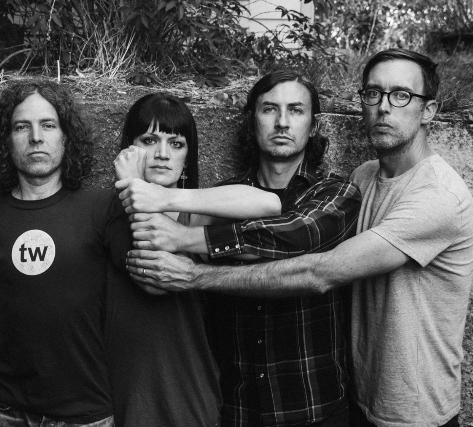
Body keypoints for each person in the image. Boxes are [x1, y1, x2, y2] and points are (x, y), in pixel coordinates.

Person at [127, 50, 473, 427]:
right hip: (260, 406)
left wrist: (191, 257)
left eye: (401, 95)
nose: (384, 107)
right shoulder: (364, 176)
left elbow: (315, 262)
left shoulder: (416, 195)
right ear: (252, 120)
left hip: (378, 410)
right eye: (373, 93)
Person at [118, 73, 362, 426]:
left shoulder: (337, 193)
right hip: (238, 408)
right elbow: (152, 265)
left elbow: (295, 237)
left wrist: (182, 236)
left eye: (295, 110)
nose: (282, 122)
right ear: (252, 121)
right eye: (269, 109)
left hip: (313, 405)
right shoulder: (221, 198)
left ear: (313, 126)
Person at [106, 93, 282, 426]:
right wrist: (133, 189)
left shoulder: (198, 215)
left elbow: (270, 205)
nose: (162, 154)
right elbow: (152, 271)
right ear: (128, 150)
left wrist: (148, 191)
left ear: (187, 159)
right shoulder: (106, 215)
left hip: (189, 397)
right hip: (126, 400)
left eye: (176, 144)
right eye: (149, 140)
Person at [0, 79, 132, 427]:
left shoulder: (101, 208)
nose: (36, 138)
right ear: (6, 140)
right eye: (21, 127)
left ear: (66, 137)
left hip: (84, 413)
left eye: (48, 125)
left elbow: (148, 274)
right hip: (3, 409)